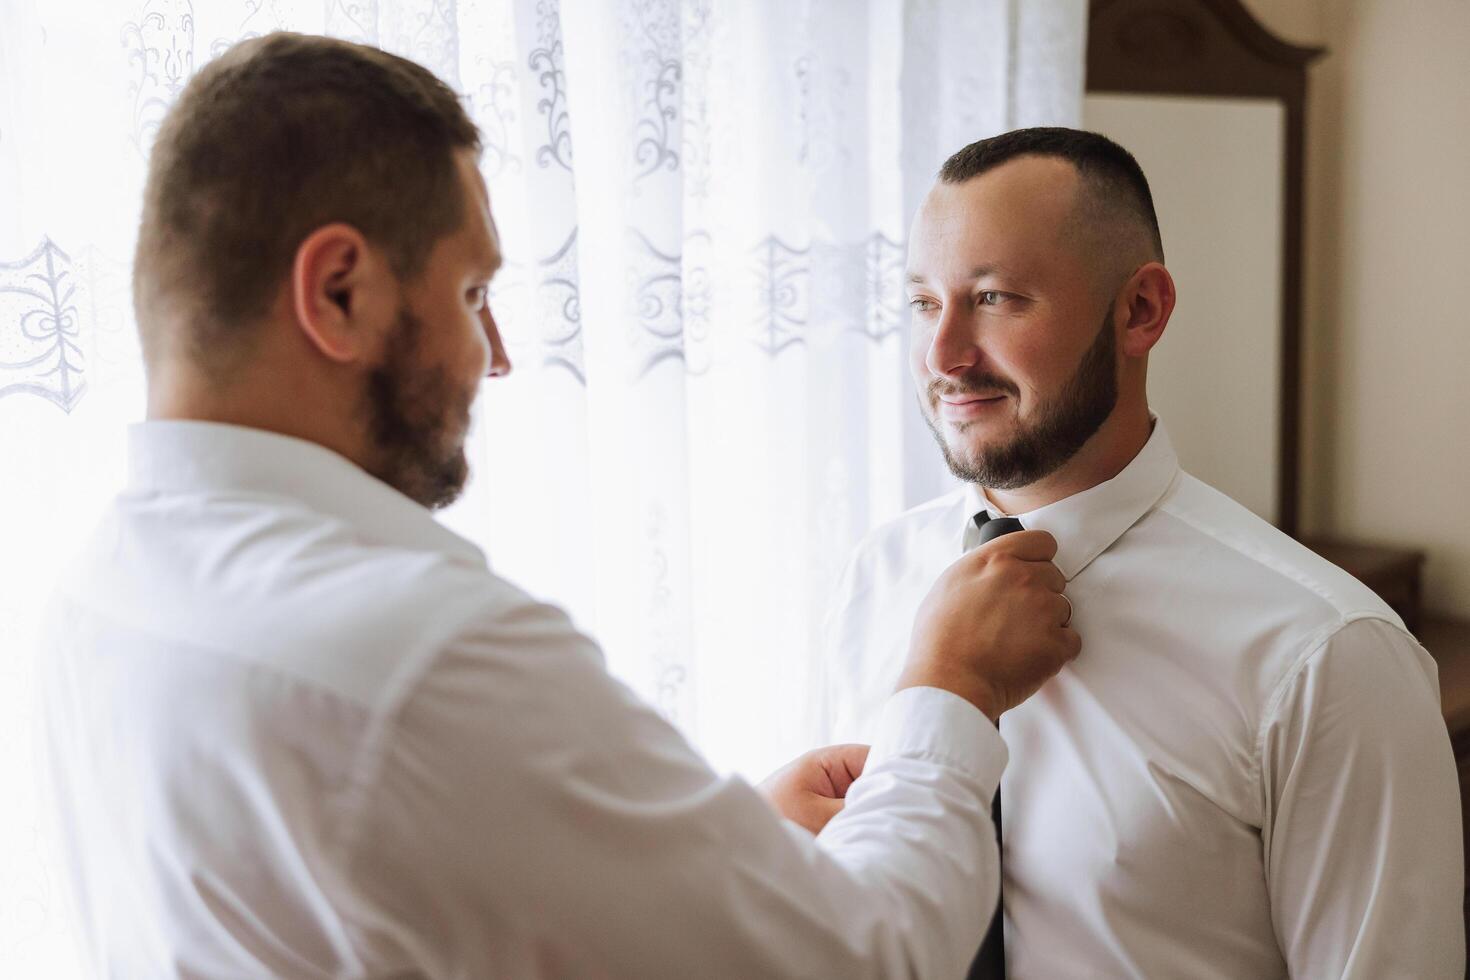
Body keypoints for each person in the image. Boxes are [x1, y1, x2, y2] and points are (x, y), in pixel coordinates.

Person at [35, 33, 1081, 979]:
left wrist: (691, 875)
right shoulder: (420, 650)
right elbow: (874, 961)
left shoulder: (101, 589)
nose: (495, 357)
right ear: (340, 290)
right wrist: (950, 688)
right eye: (473, 294)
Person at [821, 126, 1465, 978]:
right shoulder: (879, 576)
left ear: (1141, 311)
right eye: (924, 304)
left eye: (996, 298)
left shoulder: (1328, 653)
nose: (943, 356)